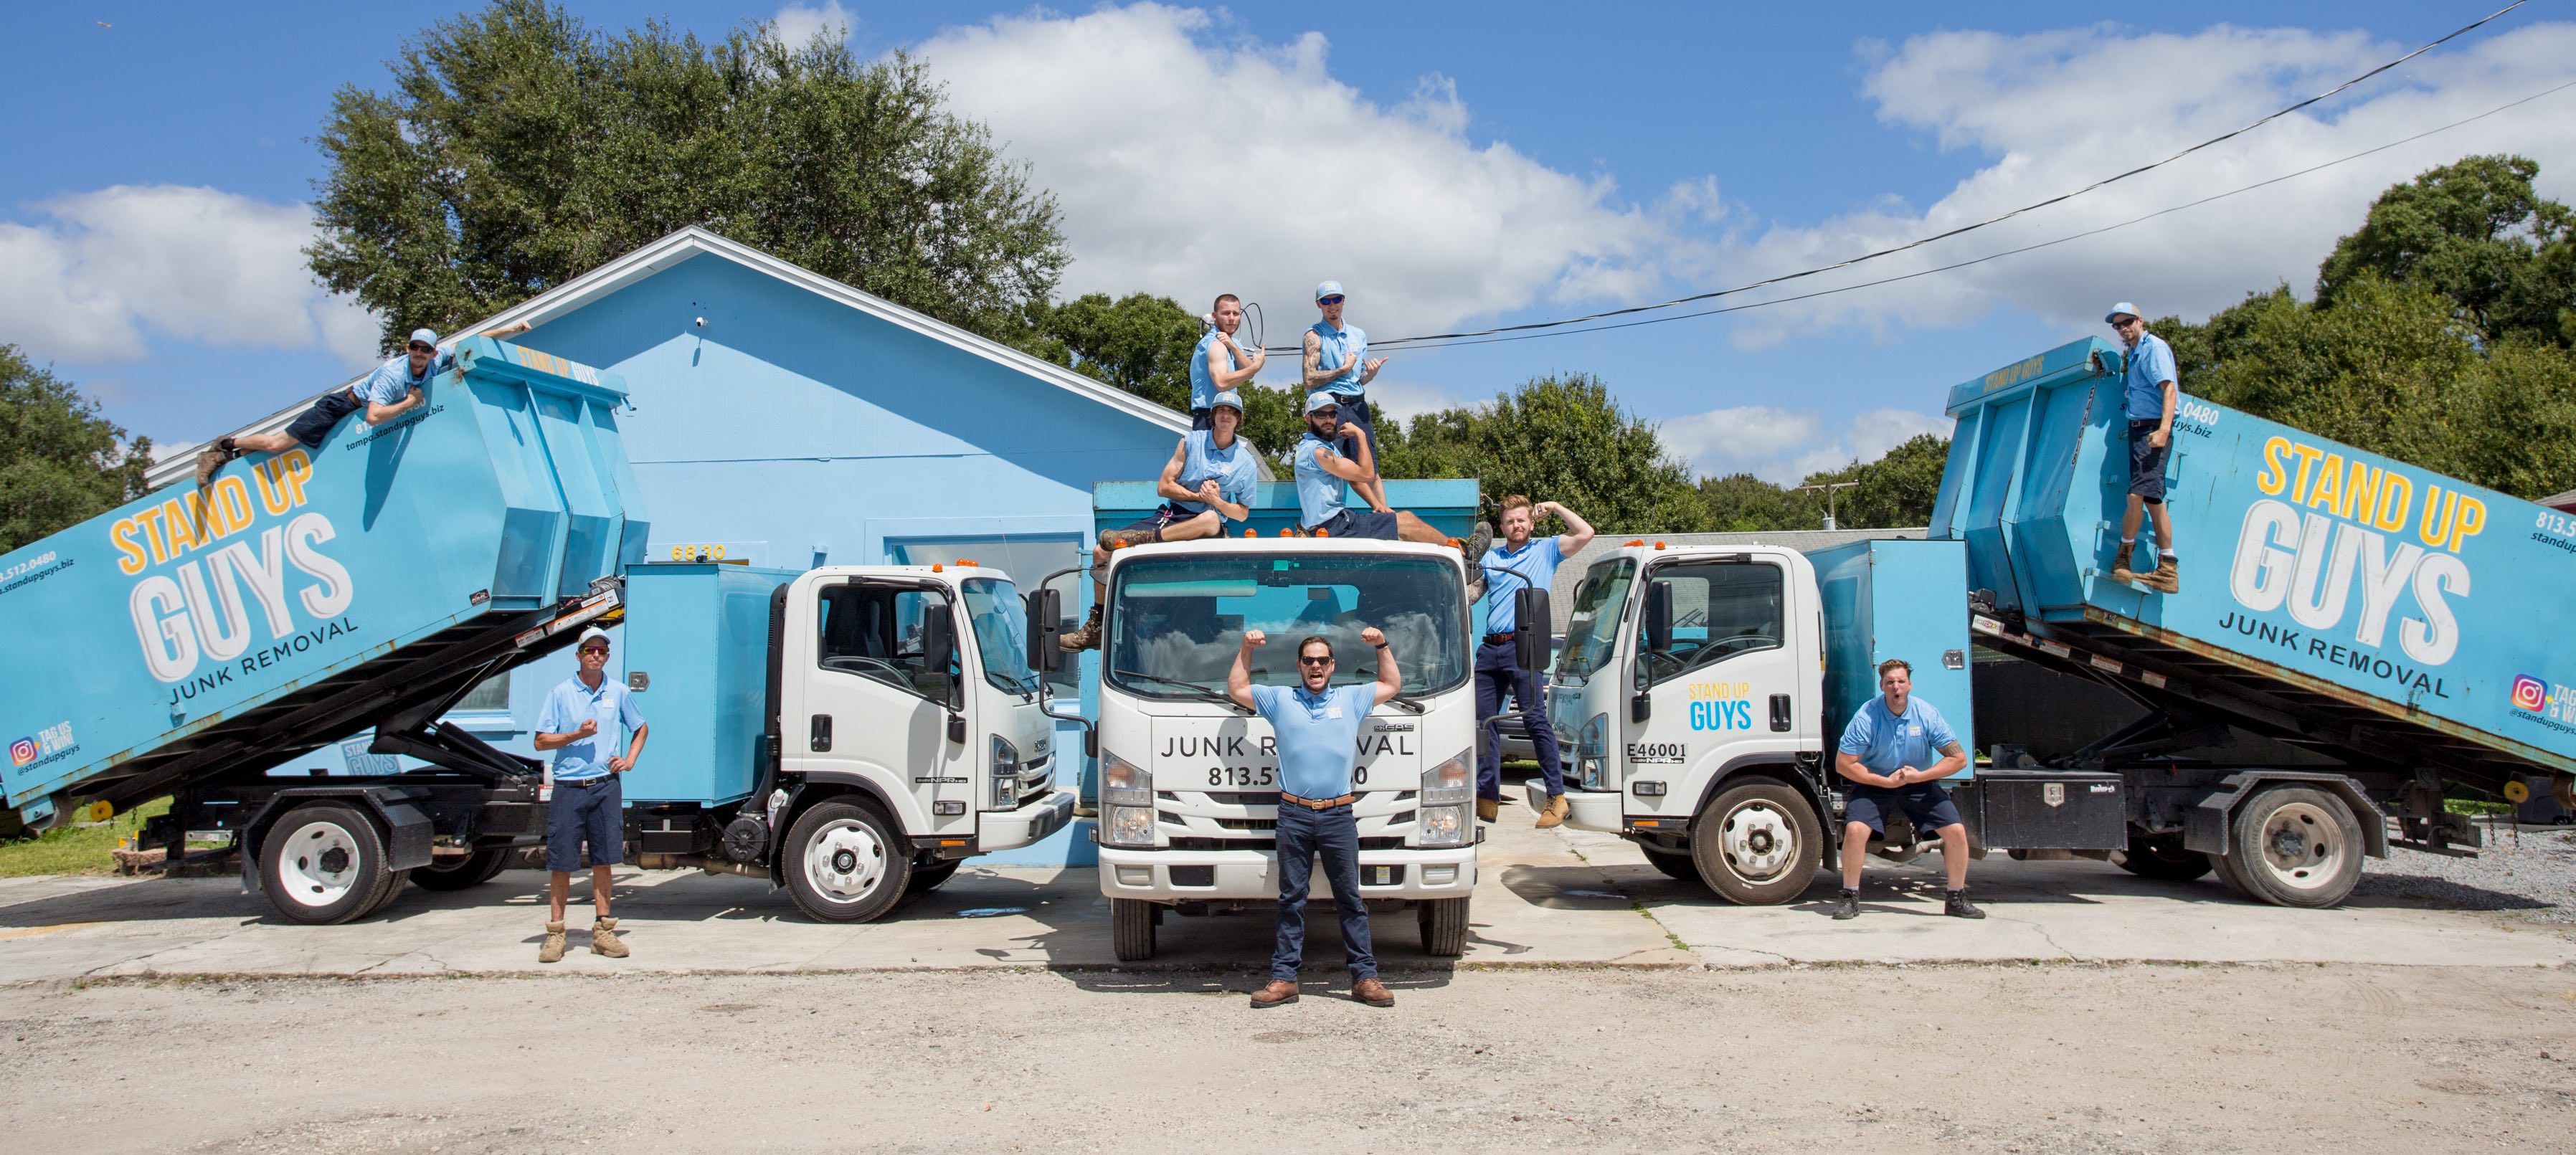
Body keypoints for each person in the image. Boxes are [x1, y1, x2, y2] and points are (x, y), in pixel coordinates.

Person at [1228, 626, 1403, 1009]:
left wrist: (1381, 646)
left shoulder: (1352, 699)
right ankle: (1284, 978)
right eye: (1309, 661)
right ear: (1300, 667)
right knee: (1291, 899)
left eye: (1323, 660)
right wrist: (1245, 648)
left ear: (1332, 665)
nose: (1316, 666)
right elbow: (1237, 688)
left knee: (1350, 899)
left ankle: (1365, 978)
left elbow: (1392, 682)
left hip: (1339, 815)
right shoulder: (1280, 700)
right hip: (1294, 815)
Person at [196, 320, 533, 485]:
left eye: (424, 350)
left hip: (361, 410)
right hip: (341, 407)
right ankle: (224, 445)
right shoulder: (393, 375)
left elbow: (473, 341)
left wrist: (514, 329)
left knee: (273, 452)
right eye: (414, 348)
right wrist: (410, 403)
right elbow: (373, 417)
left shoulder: (436, 359)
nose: (419, 355)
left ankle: (233, 456)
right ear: (407, 349)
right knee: (276, 443)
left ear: (433, 353)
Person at [1061, 390, 1261, 651]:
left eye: (1233, 412)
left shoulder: (1245, 462)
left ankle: (1146, 541)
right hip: (1174, 514)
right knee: (1101, 551)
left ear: (1239, 420)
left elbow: (1243, 514)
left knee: (1211, 519)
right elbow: (1164, 486)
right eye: (1222, 410)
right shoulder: (1190, 442)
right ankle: (1096, 627)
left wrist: (1217, 501)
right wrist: (1196, 494)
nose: (1226, 415)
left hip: (1208, 523)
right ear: (1213, 416)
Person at [531, 627, 650, 962]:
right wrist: (574, 735)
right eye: (589, 650)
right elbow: (541, 741)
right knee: (562, 862)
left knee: (604, 859)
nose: (595, 655)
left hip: (604, 787)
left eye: (601, 650)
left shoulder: (619, 692)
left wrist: (629, 760)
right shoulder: (560, 693)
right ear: (579, 655)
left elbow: (641, 727)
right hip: (569, 788)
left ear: (607, 656)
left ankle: (603, 932)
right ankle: (556, 934)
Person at [1831, 658, 1979, 921]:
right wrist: (1886, 782)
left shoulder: (1926, 714)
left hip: (1919, 783)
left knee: (1956, 832)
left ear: (1910, 685)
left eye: (1901, 682)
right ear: (1882, 686)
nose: (1896, 688)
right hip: (1875, 783)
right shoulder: (1867, 716)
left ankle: (1956, 898)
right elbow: (1843, 764)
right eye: (1890, 683)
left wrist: (1921, 775)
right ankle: (1849, 898)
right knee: (1855, 831)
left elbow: (1959, 759)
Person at [1476, 495, 1593, 826]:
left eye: (1522, 520)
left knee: (1534, 720)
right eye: (1510, 521)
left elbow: (1586, 533)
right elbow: (1472, 591)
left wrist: (1555, 507)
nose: (1517, 526)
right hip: (1489, 647)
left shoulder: (1546, 550)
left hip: (1524, 645)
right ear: (1502, 526)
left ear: (1531, 522)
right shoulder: (1492, 557)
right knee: (1482, 723)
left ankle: (1556, 798)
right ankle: (1487, 796)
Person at [1292, 391, 1491, 560]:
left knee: (1402, 528)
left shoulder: (1320, 447)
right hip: (1333, 527)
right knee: (1406, 521)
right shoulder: (1318, 452)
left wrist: (1377, 505)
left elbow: (1353, 478)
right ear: (1308, 418)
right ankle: (1466, 555)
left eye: (1332, 414)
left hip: (1335, 523)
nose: (1329, 420)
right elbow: (1367, 474)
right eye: (1320, 415)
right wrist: (1360, 435)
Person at [2104, 303, 2179, 594]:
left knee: (2139, 494)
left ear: (2141, 320)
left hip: (2151, 429)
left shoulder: (2153, 349)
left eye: (2128, 322)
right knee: (2150, 497)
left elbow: (2169, 389)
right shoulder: (2134, 353)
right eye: (2118, 325)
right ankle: (2167, 568)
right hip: (2140, 430)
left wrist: (2163, 430)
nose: (2124, 329)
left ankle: (2125, 559)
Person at [1302, 280, 1390, 514]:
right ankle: (1326, 520)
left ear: (1344, 301)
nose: (1332, 306)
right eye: (1326, 301)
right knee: (1336, 467)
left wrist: (1369, 375)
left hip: (1358, 405)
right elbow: (1309, 379)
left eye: (1337, 299)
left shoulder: (1359, 335)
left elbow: (1356, 380)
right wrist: (1342, 369)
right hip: (1330, 407)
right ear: (1319, 305)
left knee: (1371, 468)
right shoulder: (1314, 335)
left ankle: (1386, 517)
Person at [1188, 295, 1265, 431]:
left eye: (1235, 314)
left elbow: (1248, 373)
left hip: (1228, 412)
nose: (1231, 318)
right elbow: (1222, 383)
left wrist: (1234, 347)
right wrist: (1255, 366)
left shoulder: (1233, 343)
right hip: (1208, 416)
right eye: (1226, 313)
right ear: (1214, 316)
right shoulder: (1215, 343)